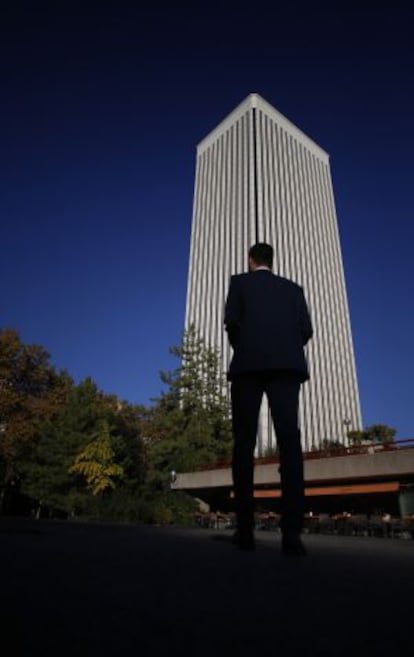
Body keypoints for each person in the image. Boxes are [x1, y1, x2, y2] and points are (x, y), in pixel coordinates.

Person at [224, 243, 313, 555]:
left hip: (249, 366)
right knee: (290, 445)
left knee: (244, 444)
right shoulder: (293, 289)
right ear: (272, 262)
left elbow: (231, 323)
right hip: (287, 367)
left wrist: (247, 346)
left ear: (251, 260)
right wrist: (284, 347)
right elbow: (306, 330)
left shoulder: (239, 283)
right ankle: (292, 535)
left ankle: (245, 531)